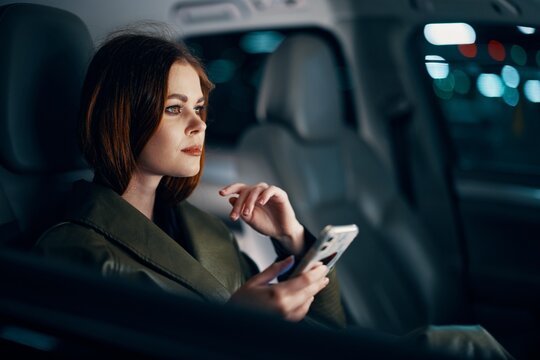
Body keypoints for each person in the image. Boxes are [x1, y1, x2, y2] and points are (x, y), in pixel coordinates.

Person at [33, 31, 345, 329]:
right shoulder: (73, 251)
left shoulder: (206, 227)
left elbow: (322, 336)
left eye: (198, 108)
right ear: (122, 118)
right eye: (174, 109)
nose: (199, 124)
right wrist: (232, 326)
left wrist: (293, 240)